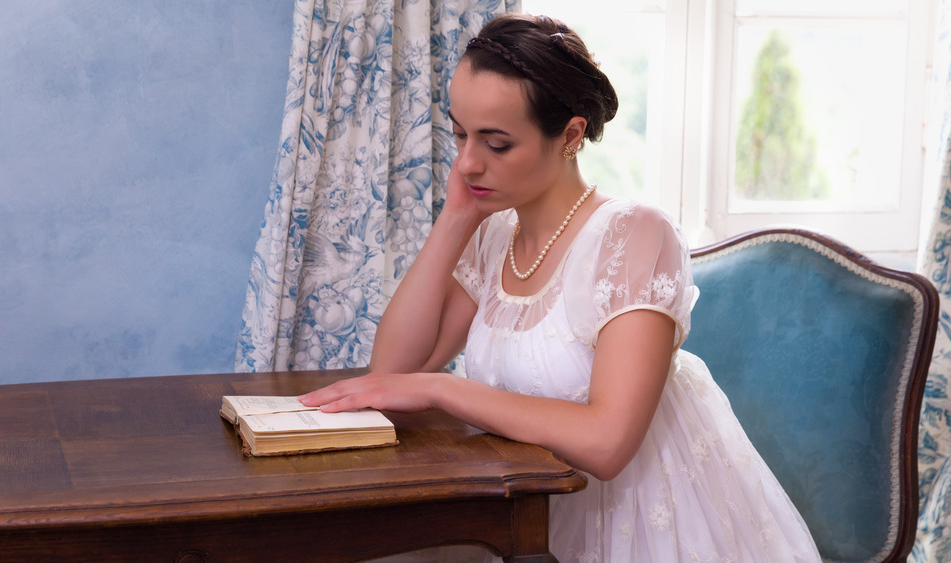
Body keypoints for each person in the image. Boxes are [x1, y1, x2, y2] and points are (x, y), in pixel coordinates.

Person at [299, 13, 820, 562]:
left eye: (496, 143)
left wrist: (445, 389)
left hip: (632, 519)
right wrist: (455, 218)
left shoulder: (635, 236)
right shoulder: (495, 231)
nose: (467, 162)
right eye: (459, 133)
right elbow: (395, 373)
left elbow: (607, 444)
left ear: (570, 135)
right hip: (518, 506)